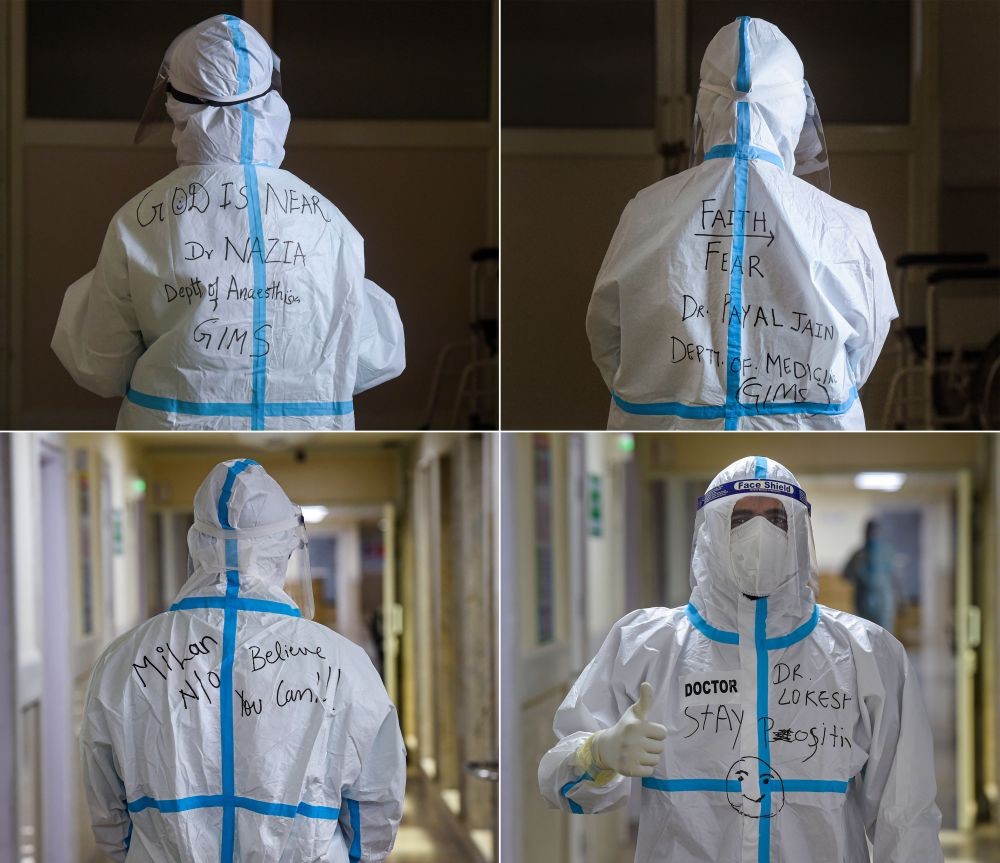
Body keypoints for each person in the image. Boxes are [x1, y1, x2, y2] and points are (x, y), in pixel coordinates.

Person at [539, 456, 943, 862]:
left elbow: (906, 816)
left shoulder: (867, 654)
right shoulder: (646, 644)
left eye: (776, 519)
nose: (760, 532)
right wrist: (600, 753)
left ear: (800, 532)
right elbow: (560, 782)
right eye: (741, 518)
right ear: (712, 531)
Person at [52, 15, 404, 430]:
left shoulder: (141, 218)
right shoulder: (328, 221)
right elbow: (373, 355)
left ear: (177, 103)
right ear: (267, 101)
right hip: (311, 427)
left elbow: (98, 363)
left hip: (172, 426)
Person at [80, 459, 406, 862]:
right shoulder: (344, 664)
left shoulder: (123, 661)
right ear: (284, 547)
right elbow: (375, 804)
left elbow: (107, 810)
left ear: (198, 544)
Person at [586, 17, 896, 430]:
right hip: (810, 433)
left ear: (705, 108)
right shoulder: (844, 227)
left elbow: (608, 339)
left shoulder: (645, 212)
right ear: (794, 107)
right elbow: (863, 354)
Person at [844, 519, 897, 631]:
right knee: (865, 633)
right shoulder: (858, 554)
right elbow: (845, 575)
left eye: (875, 532)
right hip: (863, 602)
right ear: (865, 533)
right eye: (870, 532)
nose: (872, 535)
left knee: (885, 634)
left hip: (884, 602)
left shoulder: (887, 553)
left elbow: (895, 577)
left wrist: (902, 599)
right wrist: (856, 568)